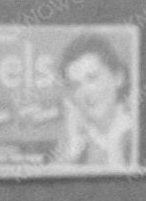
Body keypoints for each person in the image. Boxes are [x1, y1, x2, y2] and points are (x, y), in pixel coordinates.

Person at [53, 32, 137, 170]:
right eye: (76, 85)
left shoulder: (136, 133)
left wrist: (115, 148)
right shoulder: (71, 144)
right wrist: (74, 149)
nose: (85, 92)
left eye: (92, 78)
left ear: (118, 77)